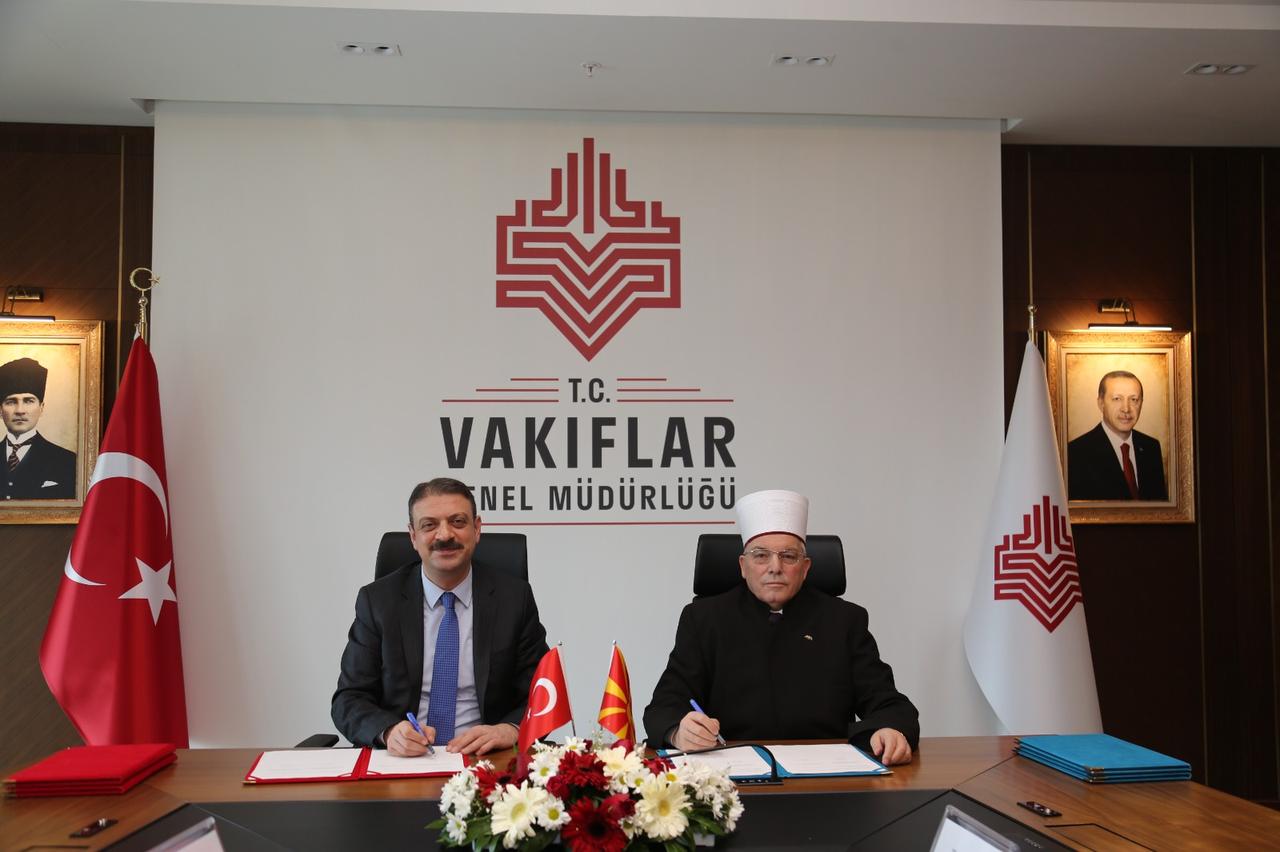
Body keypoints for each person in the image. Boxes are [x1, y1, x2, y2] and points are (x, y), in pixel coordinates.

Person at [643, 489, 920, 765]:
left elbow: (891, 705)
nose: (775, 567)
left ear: (806, 567)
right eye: (761, 556)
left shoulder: (844, 620)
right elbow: (664, 706)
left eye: (788, 556)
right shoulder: (703, 619)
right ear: (743, 565)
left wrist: (889, 730)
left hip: (828, 780)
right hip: (730, 778)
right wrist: (679, 732)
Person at [331, 477, 549, 756]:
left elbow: (542, 694)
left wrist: (509, 728)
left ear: (477, 529)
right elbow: (348, 699)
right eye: (429, 525)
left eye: (457, 522)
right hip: (403, 760)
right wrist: (388, 731)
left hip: (485, 760)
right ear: (413, 536)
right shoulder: (378, 602)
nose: (444, 535)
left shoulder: (513, 599)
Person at [1067, 370, 1167, 501]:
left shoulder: (1151, 447)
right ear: (1101, 403)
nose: (1126, 409)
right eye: (1117, 399)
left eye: (1134, 399)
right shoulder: (1077, 452)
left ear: (1141, 403)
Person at [1, 357, 77, 500]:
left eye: (28, 401)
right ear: (0, 410)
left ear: (41, 408)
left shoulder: (68, 461)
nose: (20, 410)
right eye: (11, 402)